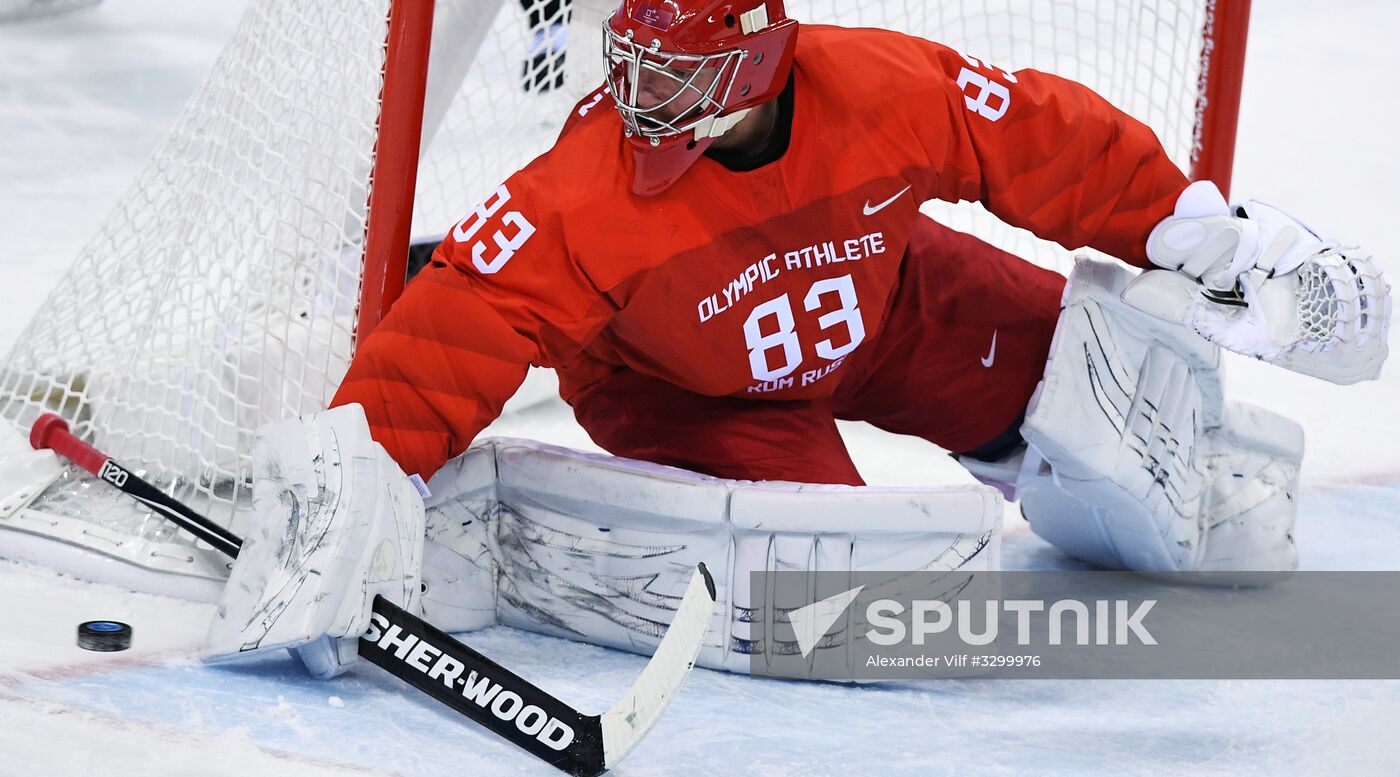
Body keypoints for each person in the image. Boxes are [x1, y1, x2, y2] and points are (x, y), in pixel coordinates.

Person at [204, 0, 1388, 676]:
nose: (646, 100)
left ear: (760, 65)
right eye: (639, 69)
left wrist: (1202, 237)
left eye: (684, 75)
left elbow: (1036, 137)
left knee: (1156, 444)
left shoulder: (875, 85)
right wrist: (355, 469)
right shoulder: (581, 195)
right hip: (687, 387)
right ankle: (539, 547)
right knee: (849, 595)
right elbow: (457, 328)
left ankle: (1040, 468)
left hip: (882, 305)